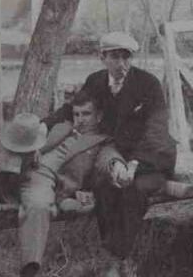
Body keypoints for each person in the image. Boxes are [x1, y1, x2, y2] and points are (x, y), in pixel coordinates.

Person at [46, 32, 176, 276]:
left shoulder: (148, 84)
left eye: (126, 57)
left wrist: (135, 164)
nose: (122, 64)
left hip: (151, 158)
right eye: (115, 57)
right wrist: (44, 125)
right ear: (102, 57)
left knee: (133, 190)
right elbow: (73, 108)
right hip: (113, 155)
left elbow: (156, 130)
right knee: (105, 190)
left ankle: (114, 260)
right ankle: (123, 261)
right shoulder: (95, 81)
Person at [17, 93, 133, 277]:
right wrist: (33, 149)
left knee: (38, 205)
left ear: (99, 116)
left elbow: (108, 158)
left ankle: (30, 270)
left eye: (86, 114)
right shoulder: (60, 127)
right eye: (76, 114)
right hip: (20, 171)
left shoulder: (102, 141)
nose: (80, 119)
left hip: (46, 181)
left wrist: (117, 166)